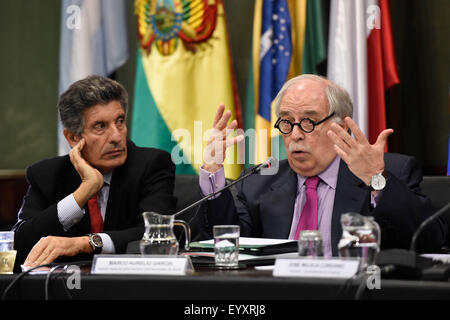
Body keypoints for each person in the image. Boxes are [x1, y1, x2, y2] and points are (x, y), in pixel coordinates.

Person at [198, 74, 446, 256]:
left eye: (308, 121)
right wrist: (212, 173)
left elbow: (428, 241)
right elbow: (226, 245)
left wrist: (375, 179)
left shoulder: (390, 172)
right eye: (286, 122)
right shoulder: (260, 180)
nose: (295, 134)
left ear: (342, 128)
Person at [13, 75, 176, 271]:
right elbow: (18, 243)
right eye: (101, 126)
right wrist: (83, 192)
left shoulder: (152, 165)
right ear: (73, 137)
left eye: (120, 121)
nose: (116, 136)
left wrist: (85, 242)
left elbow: (156, 235)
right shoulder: (47, 174)